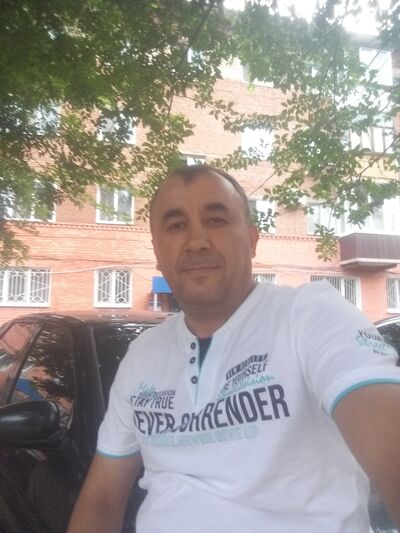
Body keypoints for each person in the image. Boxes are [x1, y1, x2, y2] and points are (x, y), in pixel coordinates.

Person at [68, 165, 400, 533]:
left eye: (216, 220)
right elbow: (101, 498)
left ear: (252, 239)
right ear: (157, 251)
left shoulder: (310, 315)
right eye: (176, 226)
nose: (196, 241)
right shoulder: (142, 355)